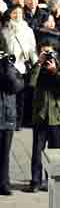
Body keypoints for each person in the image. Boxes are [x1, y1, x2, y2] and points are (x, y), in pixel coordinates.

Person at [28, 45, 60, 192]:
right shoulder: (38, 66)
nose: (48, 55)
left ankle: (51, 180)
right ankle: (35, 181)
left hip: (57, 115)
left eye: (50, 52)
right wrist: (39, 63)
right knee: (37, 151)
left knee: (55, 152)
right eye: (44, 52)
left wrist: (55, 70)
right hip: (41, 115)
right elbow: (31, 82)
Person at [0, 5, 36, 130]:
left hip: (23, 66)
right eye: (14, 13)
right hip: (9, 67)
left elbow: (32, 48)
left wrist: (35, 62)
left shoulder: (28, 30)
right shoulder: (4, 31)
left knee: (21, 97)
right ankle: (9, 121)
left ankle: (18, 122)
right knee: (10, 96)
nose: (17, 15)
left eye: (19, 13)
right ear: (10, 14)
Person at [0, 50, 24, 195]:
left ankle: (3, 183)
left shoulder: (9, 67)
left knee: (5, 153)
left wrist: (7, 67)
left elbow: (18, 86)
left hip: (7, 116)